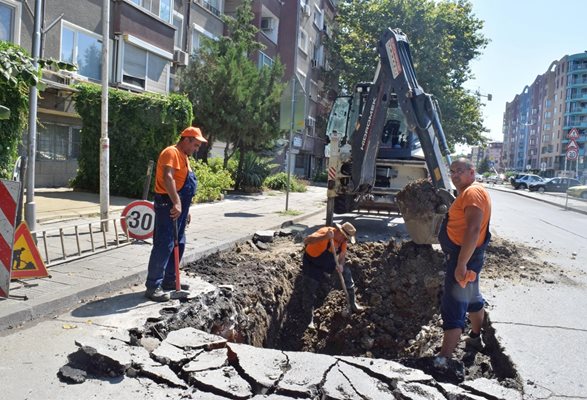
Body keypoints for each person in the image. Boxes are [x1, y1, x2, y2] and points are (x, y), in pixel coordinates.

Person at [434, 158, 492, 375]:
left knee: (454, 304)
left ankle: (444, 358)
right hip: (469, 255)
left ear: (472, 171)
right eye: (452, 171)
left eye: (460, 170)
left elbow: (474, 228)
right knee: (472, 297)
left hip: (464, 256)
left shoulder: (472, 193)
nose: (455, 175)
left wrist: (461, 263)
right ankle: (476, 338)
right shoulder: (469, 192)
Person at [144, 126, 207, 302]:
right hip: (167, 204)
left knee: (178, 242)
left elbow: (184, 184)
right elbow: (168, 178)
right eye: (195, 145)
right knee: (164, 244)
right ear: (186, 140)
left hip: (178, 207)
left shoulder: (184, 157)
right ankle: (153, 286)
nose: (196, 149)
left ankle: (169, 280)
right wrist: (177, 202)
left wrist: (185, 210)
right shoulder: (171, 153)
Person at [301, 222, 363, 328]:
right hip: (312, 262)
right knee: (310, 287)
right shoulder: (325, 233)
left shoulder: (343, 241)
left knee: (346, 273)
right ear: (339, 232)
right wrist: (324, 237)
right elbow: (306, 240)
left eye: (347, 239)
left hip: (327, 263)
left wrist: (341, 265)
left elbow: (342, 257)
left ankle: (352, 303)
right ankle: (308, 318)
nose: (345, 241)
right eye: (345, 238)